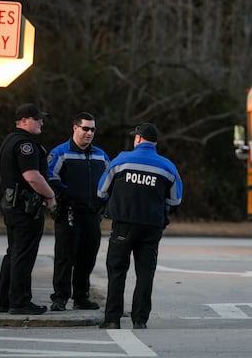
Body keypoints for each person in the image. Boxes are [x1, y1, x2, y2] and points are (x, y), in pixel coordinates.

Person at [97, 123, 182, 329]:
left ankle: (112, 319)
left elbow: (101, 191)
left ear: (137, 139)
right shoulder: (167, 166)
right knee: (145, 272)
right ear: (154, 143)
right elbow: (175, 200)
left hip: (123, 225)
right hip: (152, 226)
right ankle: (140, 320)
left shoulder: (121, 160)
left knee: (117, 270)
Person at [0, 103, 56, 315]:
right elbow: (32, 176)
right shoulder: (25, 144)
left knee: (13, 253)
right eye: (37, 118)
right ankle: (19, 302)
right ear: (23, 121)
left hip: (12, 205)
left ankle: (4, 301)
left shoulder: (9, 140)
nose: (41, 122)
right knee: (23, 255)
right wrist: (50, 195)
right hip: (25, 208)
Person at [47, 112, 111, 311]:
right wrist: (66, 195)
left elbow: (109, 180)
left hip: (92, 214)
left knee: (87, 257)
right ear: (75, 128)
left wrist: (105, 203)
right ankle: (60, 297)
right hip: (69, 213)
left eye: (92, 129)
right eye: (85, 128)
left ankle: (81, 297)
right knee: (65, 257)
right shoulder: (60, 152)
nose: (89, 133)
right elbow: (49, 176)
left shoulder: (101, 155)